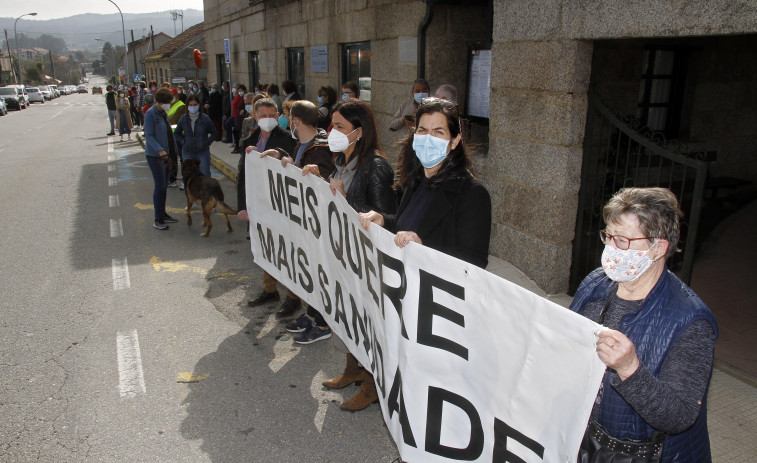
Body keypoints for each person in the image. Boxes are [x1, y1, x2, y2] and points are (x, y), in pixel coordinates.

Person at [569, 187, 717, 462]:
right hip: (583, 438)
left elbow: (680, 416)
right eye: (608, 236)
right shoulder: (595, 283)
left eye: (623, 241)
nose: (611, 249)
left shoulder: (690, 321)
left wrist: (629, 369)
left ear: (657, 248)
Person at [309, 98, 397, 410]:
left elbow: (384, 220)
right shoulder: (340, 162)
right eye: (331, 125)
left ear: (359, 132)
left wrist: (346, 201)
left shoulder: (375, 168)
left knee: (367, 321)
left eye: (340, 127)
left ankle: (372, 386)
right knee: (347, 315)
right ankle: (353, 370)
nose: (332, 131)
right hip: (345, 258)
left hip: (367, 264)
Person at [257, 100, 336, 343]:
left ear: (296, 121)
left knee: (319, 273)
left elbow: (322, 189)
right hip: (304, 226)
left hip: (317, 227)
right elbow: (297, 167)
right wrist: (281, 156)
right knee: (309, 272)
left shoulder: (320, 149)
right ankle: (312, 315)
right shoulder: (303, 145)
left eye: (290, 119)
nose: (288, 123)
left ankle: (322, 322)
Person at [237, 98, 298, 315]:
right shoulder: (249, 140)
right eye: (263, 115)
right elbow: (242, 175)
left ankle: (293, 297)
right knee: (265, 246)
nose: (268, 119)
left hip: (281, 206)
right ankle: (269, 289)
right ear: (255, 117)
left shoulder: (288, 139)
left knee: (286, 250)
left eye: (272, 115)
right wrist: (242, 206)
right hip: (259, 204)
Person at [143, 88, 180, 230]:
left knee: (164, 185)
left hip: (167, 154)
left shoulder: (162, 113)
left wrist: (172, 151)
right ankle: (157, 218)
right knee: (159, 186)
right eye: (167, 102)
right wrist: (160, 150)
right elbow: (149, 135)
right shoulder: (151, 114)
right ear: (160, 101)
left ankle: (162, 213)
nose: (169, 105)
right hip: (156, 156)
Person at [174, 94, 218, 178]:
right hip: (187, 152)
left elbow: (214, 133)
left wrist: (207, 142)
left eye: (195, 105)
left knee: (205, 175)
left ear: (199, 105)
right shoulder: (183, 118)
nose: (192, 107)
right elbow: (176, 133)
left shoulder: (205, 118)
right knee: (188, 176)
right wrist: (183, 142)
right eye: (190, 105)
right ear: (187, 106)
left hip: (202, 152)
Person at [228, 84, 247, 154]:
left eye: (241, 91)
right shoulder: (239, 97)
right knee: (236, 131)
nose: (240, 92)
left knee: (239, 133)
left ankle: (239, 147)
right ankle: (237, 146)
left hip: (242, 118)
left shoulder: (245, 97)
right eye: (239, 91)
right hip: (239, 117)